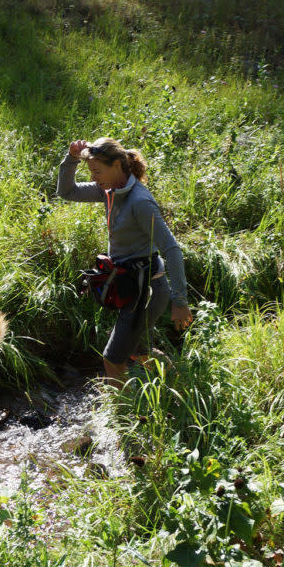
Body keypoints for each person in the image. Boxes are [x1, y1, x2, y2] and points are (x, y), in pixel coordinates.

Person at [57, 137, 193, 385]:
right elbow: (67, 191)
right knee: (136, 348)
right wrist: (71, 160)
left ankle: (120, 414)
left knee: (112, 358)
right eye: (91, 171)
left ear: (118, 165)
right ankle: (177, 380)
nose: (94, 177)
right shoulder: (109, 190)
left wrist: (180, 301)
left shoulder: (140, 202)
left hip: (148, 289)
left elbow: (172, 249)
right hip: (132, 284)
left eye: (98, 171)